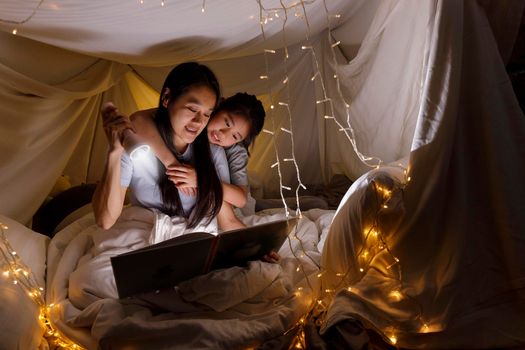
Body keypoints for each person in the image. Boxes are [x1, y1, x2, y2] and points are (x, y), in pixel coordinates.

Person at [92, 61, 237, 231]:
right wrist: (114, 152)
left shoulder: (212, 153)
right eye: (192, 109)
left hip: (194, 241)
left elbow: (228, 219)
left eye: (207, 114)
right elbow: (105, 220)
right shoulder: (136, 147)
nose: (199, 122)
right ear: (167, 98)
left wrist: (254, 244)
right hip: (145, 237)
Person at [132, 92, 266, 216]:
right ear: (217, 107)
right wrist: (172, 163)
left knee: (251, 208)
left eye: (235, 136)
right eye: (226, 122)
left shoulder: (233, 150)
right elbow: (138, 119)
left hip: (231, 201)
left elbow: (241, 199)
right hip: (205, 197)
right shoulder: (193, 119)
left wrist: (201, 181)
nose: (223, 134)